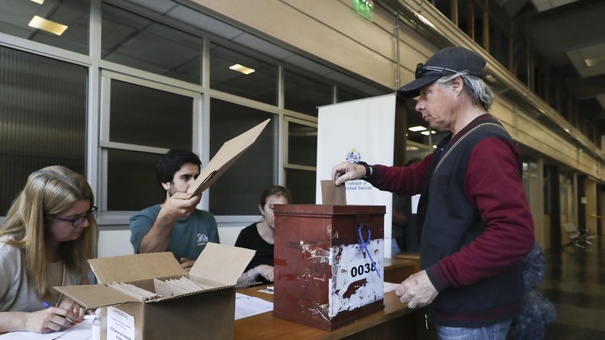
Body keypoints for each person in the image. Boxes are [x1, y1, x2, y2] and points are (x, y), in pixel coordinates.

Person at [331, 46, 535, 339]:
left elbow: (514, 233)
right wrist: (366, 171)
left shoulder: (486, 145)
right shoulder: (453, 143)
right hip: (458, 304)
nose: (419, 106)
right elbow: (414, 177)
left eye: (426, 94)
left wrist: (436, 278)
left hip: (475, 313)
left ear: (456, 85)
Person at [0, 165, 97, 333]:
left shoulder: (73, 244)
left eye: (86, 214)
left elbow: (82, 286)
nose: (85, 224)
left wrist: (76, 302)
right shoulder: (6, 253)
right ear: (41, 219)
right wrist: (25, 321)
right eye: (74, 218)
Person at [130, 149, 219, 272]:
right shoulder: (144, 217)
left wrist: (200, 267)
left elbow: (217, 262)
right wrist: (168, 214)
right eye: (185, 177)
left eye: (197, 177)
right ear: (166, 184)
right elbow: (147, 256)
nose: (194, 184)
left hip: (200, 286)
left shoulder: (207, 218)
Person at [235, 185, 292, 285]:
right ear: (262, 209)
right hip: (252, 296)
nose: (277, 214)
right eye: (272, 208)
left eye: (282, 209)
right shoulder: (247, 236)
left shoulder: (292, 237)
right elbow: (234, 281)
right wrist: (257, 270)